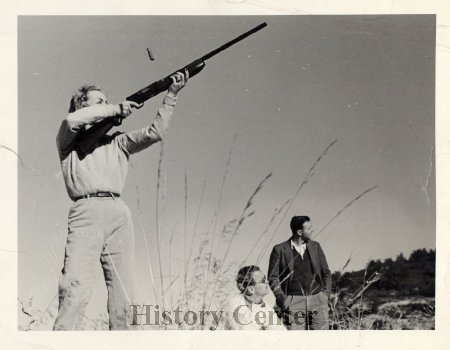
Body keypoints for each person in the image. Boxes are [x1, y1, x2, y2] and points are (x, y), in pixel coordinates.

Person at [53, 71, 189, 330]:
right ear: (83, 106)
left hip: (118, 213)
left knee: (124, 293)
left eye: (107, 101)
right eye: (99, 102)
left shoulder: (118, 141)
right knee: (75, 286)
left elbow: (155, 132)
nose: (105, 105)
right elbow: (72, 120)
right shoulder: (68, 141)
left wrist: (170, 96)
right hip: (86, 210)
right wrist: (115, 108)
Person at [268, 216, 332, 330]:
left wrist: (325, 295)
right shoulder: (279, 249)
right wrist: (284, 300)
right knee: (296, 341)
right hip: (293, 302)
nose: (312, 230)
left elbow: (326, 272)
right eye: (309, 228)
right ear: (299, 232)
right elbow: (273, 278)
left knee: (322, 341)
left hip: (318, 300)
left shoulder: (315, 246)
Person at [224, 265, 286, 330]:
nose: (267, 282)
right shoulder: (235, 303)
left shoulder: (265, 307)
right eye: (263, 280)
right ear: (251, 289)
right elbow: (245, 332)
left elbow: (281, 332)